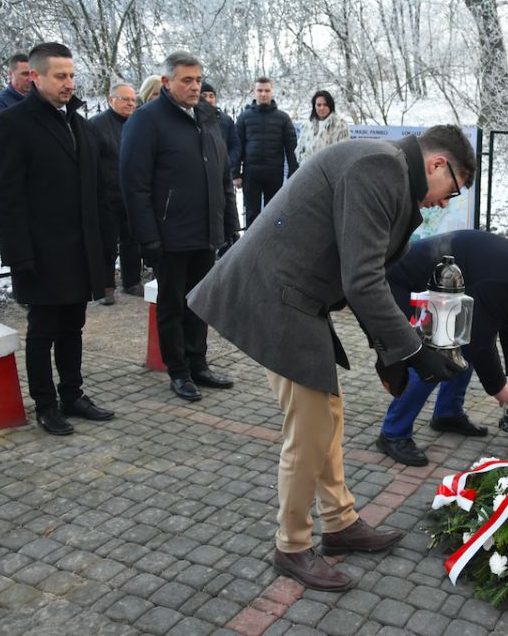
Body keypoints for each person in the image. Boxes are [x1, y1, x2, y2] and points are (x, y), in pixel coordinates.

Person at [188, 125, 476, 592]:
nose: (445, 201)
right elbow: (362, 281)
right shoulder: (381, 167)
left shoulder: (390, 171)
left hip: (299, 298)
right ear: (437, 164)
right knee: (309, 430)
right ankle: (291, 546)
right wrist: (413, 350)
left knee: (328, 417)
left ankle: (340, 523)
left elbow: (360, 276)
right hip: (276, 295)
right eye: (453, 188)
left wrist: (391, 350)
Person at [0, 42, 115, 436]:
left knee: (73, 326)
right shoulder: (11, 124)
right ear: (35, 77)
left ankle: (72, 394)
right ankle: (45, 405)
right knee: (42, 331)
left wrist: (104, 247)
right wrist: (19, 255)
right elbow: (5, 198)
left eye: (71, 75)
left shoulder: (80, 125)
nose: (68, 83)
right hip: (40, 252)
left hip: (79, 250)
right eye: (60, 76)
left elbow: (98, 191)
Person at [377, 230, 508, 466]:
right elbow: (481, 340)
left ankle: (447, 414)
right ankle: (393, 434)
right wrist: (499, 388)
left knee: (460, 345)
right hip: (404, 283)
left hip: (442, 290)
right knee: (430, 359)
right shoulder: (506, 280)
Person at [120, 51, 239, 402]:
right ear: (166, 82)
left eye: (198, 80)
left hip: (205, 231)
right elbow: (134, 185)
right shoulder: (147, 120)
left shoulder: (208, 117)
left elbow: (222, 177)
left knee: (199, 302)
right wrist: (148, 238)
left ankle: (198, 363)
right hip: (169, 234)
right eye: (186, 80)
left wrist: (229, 224)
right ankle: (179, 371)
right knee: (172, 306)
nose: (194, 86)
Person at [89, 81, 142, 302]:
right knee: (107, 242)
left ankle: (132, 281)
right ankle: (106, 286)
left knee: (132, 240)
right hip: (107, 193)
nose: (130, 103)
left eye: (132, 99)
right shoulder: (96, 124)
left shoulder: (138, 122)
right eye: (124, 99)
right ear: (111, 100)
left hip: (132, 192)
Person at [232, 76, 298, 227]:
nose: (263, 94)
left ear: (272, 92)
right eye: (260, 90)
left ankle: (273, 242)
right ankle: (251, 242)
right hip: (251, 174)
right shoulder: (244, 117)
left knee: (274, 213)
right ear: (254, 92)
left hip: (274, 173)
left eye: (267, 90)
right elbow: (237, 146)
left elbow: (291, 148)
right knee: (252, 214)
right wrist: (235, 174)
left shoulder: (283, 118)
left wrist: (293, 172)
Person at [200, 81, 241, 187]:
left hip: (223, 173)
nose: (208, 99)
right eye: (204, 96)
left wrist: (227, 163)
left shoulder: (226, 120)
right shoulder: (193, 119)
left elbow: (235, 145)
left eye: (211, 96)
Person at [296, 90, 349, 163]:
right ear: (314, 106)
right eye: (319, 105)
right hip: (308, 168)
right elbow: (299, 150)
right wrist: (307, 163)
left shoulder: (340, 125)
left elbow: (342, 152)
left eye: (325, 105)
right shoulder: (306, 125)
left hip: (329, 168)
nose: (322, 108)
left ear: (330, 106)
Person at [0, 53, 30, 123]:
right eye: (25, 74)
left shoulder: (39, 99)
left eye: (32, 74)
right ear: (10, 74)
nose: (30, 79)